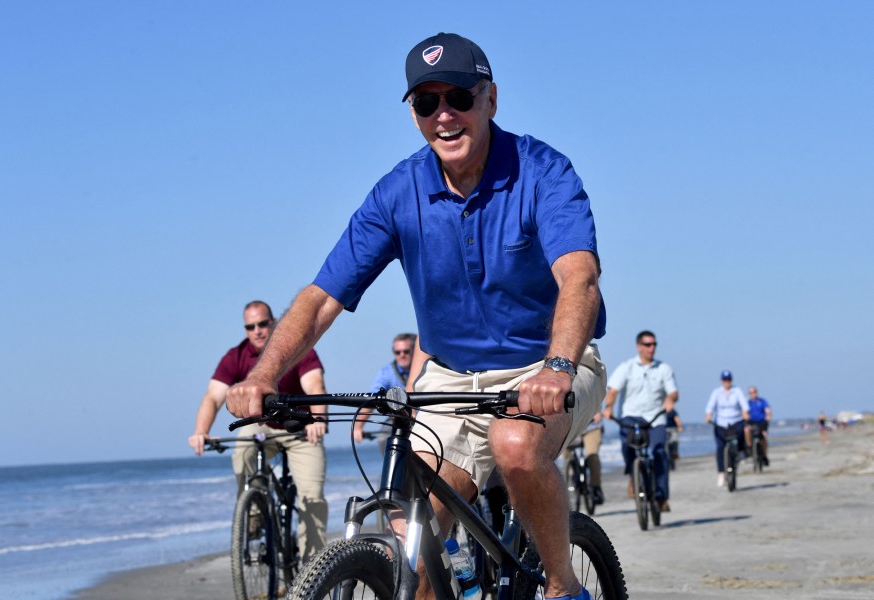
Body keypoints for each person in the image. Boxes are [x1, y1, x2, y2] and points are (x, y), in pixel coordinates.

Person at [226, 32, 608, 600]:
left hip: (549, 367)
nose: (444, 116)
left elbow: (579, 278)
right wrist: (262, 374)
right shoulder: (398, 193)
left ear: (491, 100)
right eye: (426, 104)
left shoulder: (542, 172)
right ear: (413, 114)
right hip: (450, 379)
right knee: (415, 538)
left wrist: (554, 367)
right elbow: (320, 298)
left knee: (514, 446)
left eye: (458, 97)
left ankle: (562, 585)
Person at [188, 300, 329, 562]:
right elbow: (213, 397)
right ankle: (253, 512)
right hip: (261, 423)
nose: (258, 330)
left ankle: (313, 568)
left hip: (301, 426)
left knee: (312, 497)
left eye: (263, 323)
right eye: (251, 326)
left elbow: (315, 384)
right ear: (245, 330)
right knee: (243, 452)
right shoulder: (236, 357)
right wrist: (201, 431)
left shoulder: (296, 347)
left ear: (273, 322)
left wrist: (319, 419)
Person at [602, 330, 678, 512]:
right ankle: (633, 475)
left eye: (654, 344)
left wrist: (670, 400)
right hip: (631, 416)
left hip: (655, 418)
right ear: (639, 347)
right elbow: (613, 391)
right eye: (647, 344)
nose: (651, 348)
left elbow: (673, 392)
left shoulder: (663, 368)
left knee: (660, 453)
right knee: (627, 448)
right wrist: (609, 407)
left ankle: (661, 497)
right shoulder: (627, 367)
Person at [353, 332, 417, 448]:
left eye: (406, 351)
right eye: (397, 352)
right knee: (383, 439)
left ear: (414, 352)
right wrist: (358, 426)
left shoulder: (426, 369)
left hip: (424, 416)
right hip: (398, 418)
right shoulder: (386, 373)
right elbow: (372, 399)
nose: (402, 355)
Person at [704, 370, 749, 488]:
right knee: (720, 447)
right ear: (721, 381)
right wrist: (708, 415)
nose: (726, 382)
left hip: (735, 421)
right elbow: (710, 405)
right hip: (721, 423)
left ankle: (740, 452)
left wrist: (745, 413)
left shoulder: (737, 391)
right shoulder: (716, 392)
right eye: (724, 380)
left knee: (742, 432)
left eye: (728, 380)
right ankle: (721, 473)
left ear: (731, 380)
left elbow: (744, 404)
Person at [562, 413, 605, 505]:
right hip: (569, 427)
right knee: (566, 455)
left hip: (591, 426)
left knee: (593, 455)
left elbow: (598, 398)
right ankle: (572, 478)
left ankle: (595, 486)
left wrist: (598, 411)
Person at [744, 386, 771, 465]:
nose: (753, 394)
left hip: (762, 423)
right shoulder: (748, 403)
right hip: (751, 423)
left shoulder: (762, 401)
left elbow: (768, 411)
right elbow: (744, 412)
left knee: (764, 437)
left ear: (756, 392)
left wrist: (768, 417)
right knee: (746, 430)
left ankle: (764, 455)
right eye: (751, 393)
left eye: (754, 392)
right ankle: (749, 447)